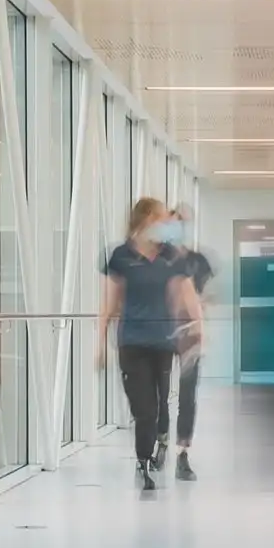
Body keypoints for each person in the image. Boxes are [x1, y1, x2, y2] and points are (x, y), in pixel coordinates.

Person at [99, 197, 203, 491]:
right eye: (161, 218)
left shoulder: (171, 256)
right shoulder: (121, 256)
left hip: (162, 342)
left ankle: (163, 447)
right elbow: (109, 302)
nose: (167, 224)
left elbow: (186, 292)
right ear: (145, 220)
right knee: (143, 408)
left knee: (158, 405)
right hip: (132, 342)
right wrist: (99, 341)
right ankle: (143, 461)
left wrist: (197, 329)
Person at [160, 205, 217, 481]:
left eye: (183, 221)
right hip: (158, 331)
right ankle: (160, 439)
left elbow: (210, 294)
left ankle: (182, 452)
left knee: (187, 394)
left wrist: (200, 308)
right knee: (158, 393)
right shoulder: (154, 260)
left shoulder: (198, 261)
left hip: (190, 333)